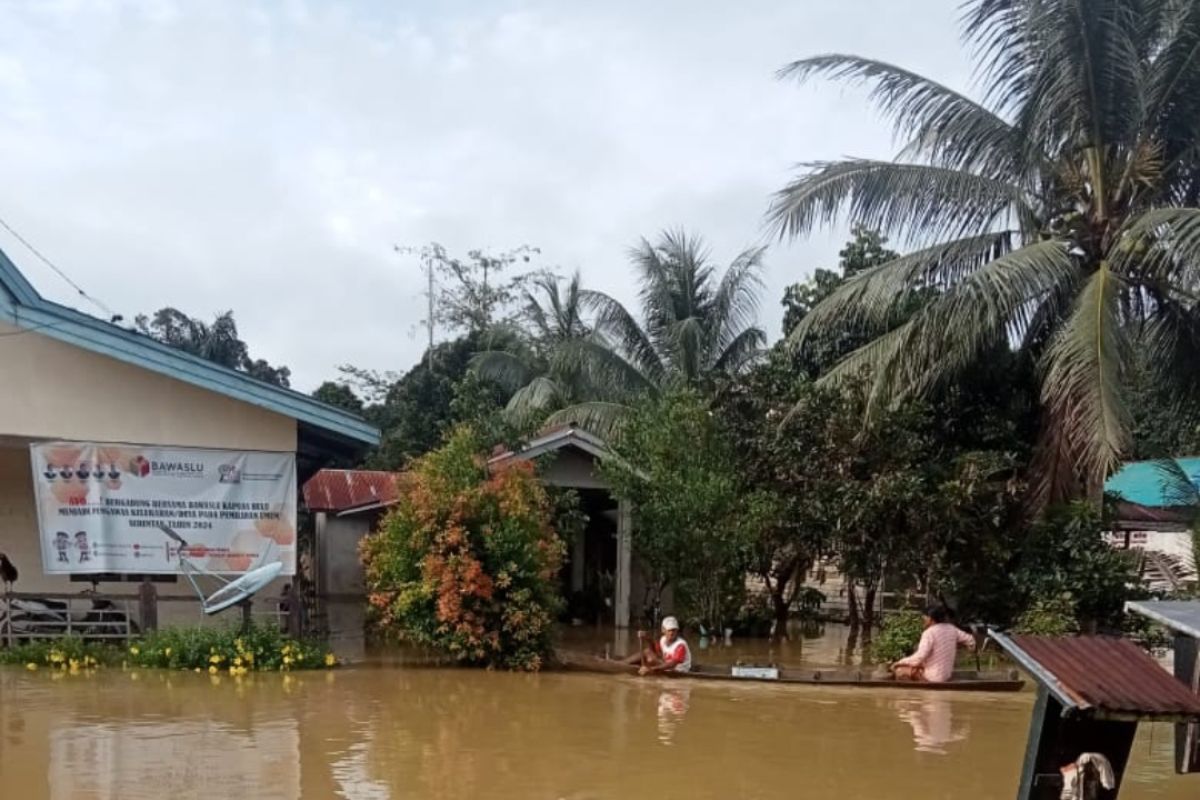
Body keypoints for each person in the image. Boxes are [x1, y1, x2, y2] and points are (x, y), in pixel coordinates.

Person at [891, 605, 976, 683]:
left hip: (932, 678)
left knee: (899, 671)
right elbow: (970, 640)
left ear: (930, 618)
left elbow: (919, 657)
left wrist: (899, 662)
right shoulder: (952, 629)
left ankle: (914, 694)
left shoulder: (929, 633)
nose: (922, 619)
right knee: (918, 666)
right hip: (946, 676)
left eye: (924, 617)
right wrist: (970, 651)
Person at [626, 616, 692, 675]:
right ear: (663, 630)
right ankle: (623, 664)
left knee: (648, 654)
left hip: (677, 670)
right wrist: (648, 639)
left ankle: (623, 664)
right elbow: (656, 652)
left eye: (674, 630)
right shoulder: (663, 640)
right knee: (648, 652)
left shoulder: (680, 645)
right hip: (667, 666)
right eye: (669, 630)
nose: (671, 633)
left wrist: (651, 669)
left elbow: (672, 664)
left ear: (677, 631)